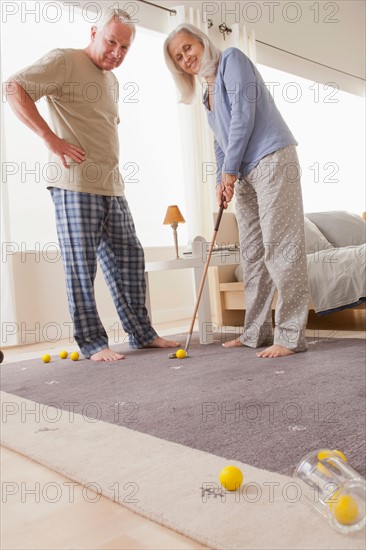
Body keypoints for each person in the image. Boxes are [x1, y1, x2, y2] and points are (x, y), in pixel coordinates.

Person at [6, 8, 179, 361]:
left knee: (129, 258)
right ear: (93, 33)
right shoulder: (64, 61)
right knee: (81, 265)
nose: (117, 52)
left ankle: (141, 333)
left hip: (111, 187)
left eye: (125, 47)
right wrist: (50, 139)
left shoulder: (111, 80)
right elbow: (13, 87)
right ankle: (93, 342)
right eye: (111, 41)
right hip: (74, 183)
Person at [164, 24, 310, 358]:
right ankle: (255, 332)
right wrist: (221, 179)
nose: (186, 57)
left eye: (188, 48)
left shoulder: (232, 59)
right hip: (242, 171)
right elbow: (221, 140)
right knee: (254, 254)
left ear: (201, 42)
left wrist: (230, 168)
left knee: (280, 246)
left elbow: (243, 116)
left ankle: (290, 336)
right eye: (178, 57)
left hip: (272, 157)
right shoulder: (206, 94)